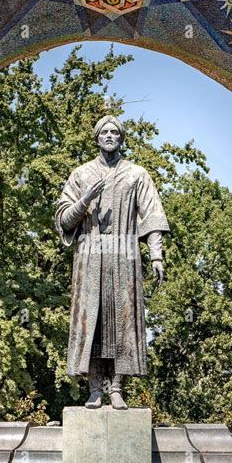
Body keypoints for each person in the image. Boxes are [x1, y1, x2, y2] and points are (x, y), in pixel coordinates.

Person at [55, 115, 169, 409]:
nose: (109, 136)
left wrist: (156, 253)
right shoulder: (81, 174)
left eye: (114, 132)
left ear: (121, 138)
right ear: (96, 138)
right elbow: (64, 221)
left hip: (124, 259)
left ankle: (117, 387)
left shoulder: (136, 175)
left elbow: (152, 216)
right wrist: (84, 201)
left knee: (122, 321)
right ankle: (94, 389)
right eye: (104, 132)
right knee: (91, 321)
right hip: (89, 259)